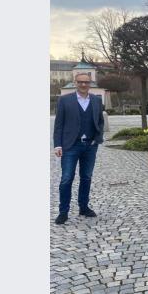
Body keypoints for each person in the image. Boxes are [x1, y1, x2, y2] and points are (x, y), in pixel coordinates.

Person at [52, 72, 105, 225]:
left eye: (86, 82)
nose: (83, 85)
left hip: (90, 146)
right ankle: (63, 212)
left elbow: (100, 122)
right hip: (70, 145)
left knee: (86, 177)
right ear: (75, 83)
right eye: (80, 82)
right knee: (66, 179)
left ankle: (83, 207)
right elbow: (59, 124)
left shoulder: (96, 100)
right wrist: (58, 144)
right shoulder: (64, 100)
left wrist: (97, 138)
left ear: (90, 84)